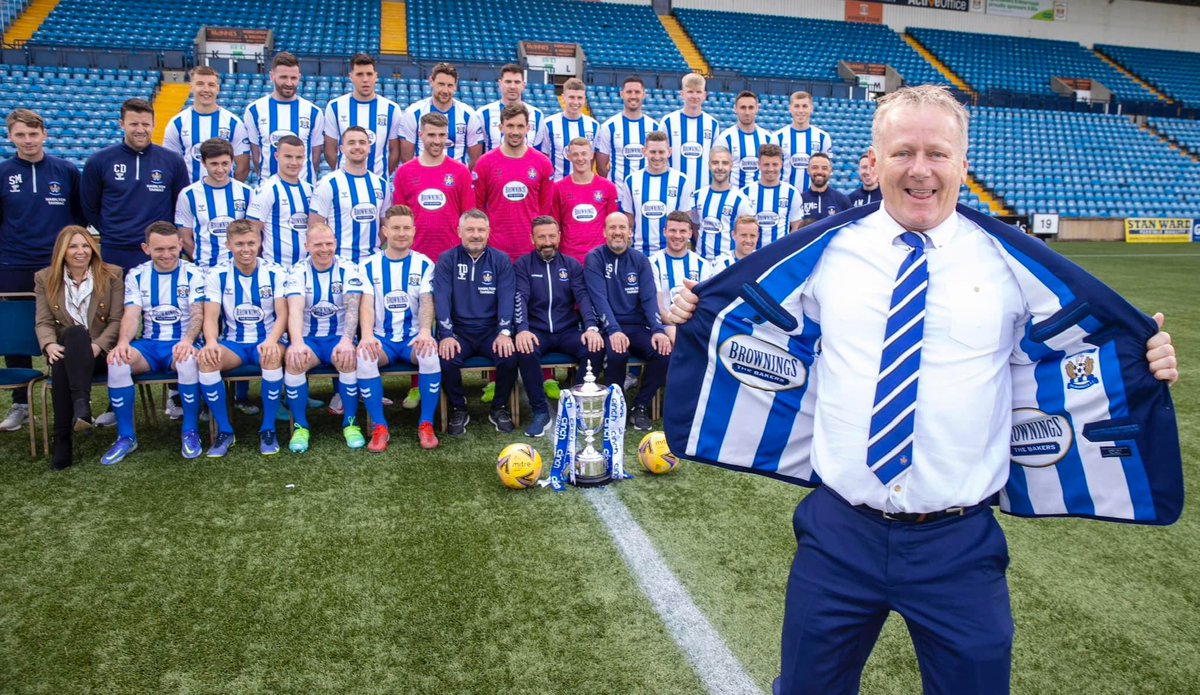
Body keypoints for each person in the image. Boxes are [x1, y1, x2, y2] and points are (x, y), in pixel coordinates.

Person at [664, 85, 1180, 695]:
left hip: (958, 546)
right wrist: (691, 308)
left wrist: (1145, 357)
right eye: (903, 151)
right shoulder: (826, 251)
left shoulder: (1012, 264)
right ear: (877, 160)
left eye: (938, 154)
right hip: (838, 535)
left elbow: (1076, 350)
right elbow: (750, 316)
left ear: (963, 163)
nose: (920, 170)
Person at [0, 108, 85, 431]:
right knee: (17, 332)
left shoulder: (64, 171)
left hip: (56, 263)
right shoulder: (4, 172)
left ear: (44, 135)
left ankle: (73, 397)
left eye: (33, 134)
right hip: (13, 263)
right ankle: (21, 403)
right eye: (21, 135)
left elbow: (79, 216)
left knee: (67, 326)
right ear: (10, 137)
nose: (28, 140)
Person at [99, 222, 206, 465]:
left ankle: (190, 431)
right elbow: (131, 314)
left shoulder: (194, 273)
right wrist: (123, 342)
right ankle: (126, 436)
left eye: (171, 248)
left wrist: (188, 340)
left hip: (181, 341)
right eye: (159, 249)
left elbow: (197, 313)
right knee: (117, 361)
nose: (166, 254)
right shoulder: (137, 275)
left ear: (180, 245)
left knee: (187, 360)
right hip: (149, 344)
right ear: (146, 248)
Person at [194, 220, 288, 456]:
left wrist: (271, 341)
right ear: (228, 245)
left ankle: (268, 429)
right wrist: (212, 342)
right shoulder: (217, 274)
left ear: (259, 243)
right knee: (207, 359)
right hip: (233, 343)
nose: (246, 249)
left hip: (267, 339)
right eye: (239, 244)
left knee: (272, 355)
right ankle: (225, 431)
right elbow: (210, 315)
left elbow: (283, 314)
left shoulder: (275, 272)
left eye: (251, 243)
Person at [34, 227, 123, 469]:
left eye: (85, 246)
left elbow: (116, 320)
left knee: (74, 340)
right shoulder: (45, 278)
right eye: (73, 246)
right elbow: (43, 321)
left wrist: (98, 346)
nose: (80, 251)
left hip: (102, 354)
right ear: (62, 251)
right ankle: (81, 407)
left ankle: (62, 440)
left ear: (93, 248)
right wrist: (49, 344)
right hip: (67, 351)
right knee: (71, 339)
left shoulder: (112, 274)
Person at [356, 205, 441, 451]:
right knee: (364, 356)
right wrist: (368, 335)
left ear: (414, 231)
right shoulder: (368, 266)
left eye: (406, 228)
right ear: (385, 231)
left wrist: (425, 332)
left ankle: (426, 423)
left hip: (412, 339)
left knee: (430, 354)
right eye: (395, 228)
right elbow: (367, 304)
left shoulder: (424, 264)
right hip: (383, 339)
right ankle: (379, 427)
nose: (401, 233)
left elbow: (427, 300)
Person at [513, 216, 604, 438]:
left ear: (559, 237)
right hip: (537, 331)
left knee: (595, 348)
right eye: (541, 236)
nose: (547, 241)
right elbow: (520, 298)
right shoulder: (523, 265)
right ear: (532, 239)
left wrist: (591, 327)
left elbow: (582, 297)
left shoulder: (571, 265)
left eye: (552, 236)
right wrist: (523, 328)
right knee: (525, 350)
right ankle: (540, 412)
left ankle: (577, 408)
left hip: (567, 331)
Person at [282, 223, 369, 453]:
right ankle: (301, 427)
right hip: (309, 339)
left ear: (336, 244)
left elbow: (352, 309)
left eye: (329, 243)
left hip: (337, 338)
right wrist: (297, 343)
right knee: (294, 361)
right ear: (307, 246)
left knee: (347, 358)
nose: (324, 249)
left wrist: (347, 341)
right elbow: (295, 310)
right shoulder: (297, 271)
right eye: (318, 244)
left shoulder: (348, 269)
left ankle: (350, 423)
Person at [433, 210, 517, 436]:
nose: (476, 235)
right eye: (470, 229)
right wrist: (447, 334)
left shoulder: (500, 260)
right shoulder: (447, 259)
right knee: (447, 358)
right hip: (460, 332)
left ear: (489, 232)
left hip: (491, 331)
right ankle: (459, 408)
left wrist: (504, 332)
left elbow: (507, 297)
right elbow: (441, 298)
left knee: (509, 356)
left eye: (481, 230)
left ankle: (498, 407)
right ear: (459, 231)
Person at [584, 212, 670, 432]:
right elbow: (599, 299)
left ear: (630, 232)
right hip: (609, 326)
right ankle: (615, 406)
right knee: (617, 353)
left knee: (663, 351)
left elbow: (649, 298)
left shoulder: (640, 260)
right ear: (604, 232)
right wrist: (613, 330)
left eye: (622, 227)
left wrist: (658, 330)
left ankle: (639, 406)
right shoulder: (595, 258)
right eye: (612, 227)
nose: (618, 232)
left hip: (637, 326)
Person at [81, 98, 189, 271]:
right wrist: (112, 230)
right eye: (134, 124)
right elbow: (89, 206)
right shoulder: (99, 161)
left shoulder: (172, 161)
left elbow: (181, 206)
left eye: (146, 124)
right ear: (122, 124)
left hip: (158, 251)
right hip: (115, 250)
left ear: (153, 124)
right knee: (115, 298)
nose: (140, 130)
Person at [472, 104, 554, 263]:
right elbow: (478, 208)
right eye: (510, 126)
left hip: (531, 250)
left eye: (520, 126)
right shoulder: (485, 163)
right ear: (500, 127)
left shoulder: (542, 163)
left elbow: (545, 209)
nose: (515, 132)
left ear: (528, 128)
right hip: (495, 250)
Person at [391, 112, 476, 262]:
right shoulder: (404, 172)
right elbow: (399, 218)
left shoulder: (460, 171)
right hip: (414, 257)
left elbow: (468, 217)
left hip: (452, 256)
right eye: (431, 135)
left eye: (442, 135)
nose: (437, 141)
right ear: (421, 134)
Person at [244, 51, 324, 185]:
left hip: (304, 191)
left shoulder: (313, 112)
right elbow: (256, 154)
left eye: (293, 78)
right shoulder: (254, 110)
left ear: (299, 77)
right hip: (267, 190)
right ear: (272, 76)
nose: (289, 83)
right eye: (283, 77)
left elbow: (315, 156)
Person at [309, 126, 386, 265]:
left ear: (369, 147)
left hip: (372, 263)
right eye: (351, 143)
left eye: (362, 142)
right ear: (342, 149)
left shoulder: (381, 184)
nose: (357, 147)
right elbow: (315, 226)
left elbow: (385, 226)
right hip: (338, 263)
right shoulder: (328, 183)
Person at [162, 66, 251, 184]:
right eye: (200, 84)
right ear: (191, 87)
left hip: (222, 198)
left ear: (218, 89)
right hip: (189, 197)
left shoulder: (233, 123)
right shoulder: (177, 123)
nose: (206, 89)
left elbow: (243, 167)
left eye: (211, 85)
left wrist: (229, 190)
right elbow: (169, 164)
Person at [175, 138, 254, 268]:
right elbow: (185, 237)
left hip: (239, 269)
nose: (220, 169)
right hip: (204, 270)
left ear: (232, 161)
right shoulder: (188, 195)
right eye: (214, 164)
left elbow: (254, 233)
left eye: (225, 163)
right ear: (203, 163)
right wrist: (199, 262)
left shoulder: (246, 192)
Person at [323, 53, 401, 178]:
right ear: (351, 77)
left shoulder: (391, 109)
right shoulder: (335, 106)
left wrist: (378, 178)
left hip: (378, 185)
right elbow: (329, 151)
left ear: (376, 76)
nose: (365, 79)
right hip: (344, 184)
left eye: (369, 74)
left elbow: (395, 152)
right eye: (359, 74)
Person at [616, 131, 693, 257]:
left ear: (669, 152)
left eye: (661, 152)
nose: (657, 156)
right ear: (644, 151)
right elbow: (629, 220)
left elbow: (685, 219)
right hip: (640, 253)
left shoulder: (681, 180)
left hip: (671, 253)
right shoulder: (631, 180)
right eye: (653, 152)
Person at [247, 135, 313, 268]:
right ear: (277, 156)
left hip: (306, 269)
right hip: (276, 267)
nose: (294, 162)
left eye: (299, 157)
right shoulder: (267, 190)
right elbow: (252, 231)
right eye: (288, 156)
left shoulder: (310, 190)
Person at [551, 136, 619, 265]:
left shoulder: (608, 187)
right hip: (569, 258)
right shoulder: (558, 188)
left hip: (599, 258)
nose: (580, 158)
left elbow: (612, 224)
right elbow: (555, 226)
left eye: (584, 154)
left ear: (592, 155)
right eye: (575, 154)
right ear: (569, 157)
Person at [648, 211, 710, 343]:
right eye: (672, 230)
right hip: (665, 326)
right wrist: (676, 327)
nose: (677, 236)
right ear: (664, 232)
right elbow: (657, 306)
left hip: (694, 327)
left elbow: (704, 305)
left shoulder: (703, 265)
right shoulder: (653, 263)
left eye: (682, 231)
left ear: (690, 233)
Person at [398, 62, 476, 166]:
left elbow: (475, 159)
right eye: (441, 84)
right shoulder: (413, 113)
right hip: (423, 179)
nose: (445, 90)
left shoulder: (468, 115)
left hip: (456, 180)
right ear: (431, 81)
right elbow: (406, 158)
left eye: (450, 85)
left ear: (455, 86)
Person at [467, 63, 544, 164]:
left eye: (517, 82)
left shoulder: (537, 115)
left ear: (523, 85)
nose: (512, 86)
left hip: (526, 176)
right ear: (500, 83)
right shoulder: (482, 114)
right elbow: (477, 156)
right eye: (508, 82)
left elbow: (538, 152)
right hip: (494, 175)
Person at [594, 76, 660, 185]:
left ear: (644, 95)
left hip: (646, 195)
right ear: (622, 94)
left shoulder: (654, 127)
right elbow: (600, 166)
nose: (633, 96)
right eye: (629, 92)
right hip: (618, 196)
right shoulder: (609, 127)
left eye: (637, 92)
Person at [661, 72, 720, 191]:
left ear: (704, 95)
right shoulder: (668, 121)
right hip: (673, 189)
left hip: (703, 191)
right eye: (690, 91)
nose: (695, 96)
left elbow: (715, 158)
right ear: (682, 94)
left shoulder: (713, 124)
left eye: (698, 92)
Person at [690, 145, 750, 262]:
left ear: (731, 166)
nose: (720, 167)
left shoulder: (741, 199)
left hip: (729, 265)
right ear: (709, 165)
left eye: (725, 163)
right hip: (703, 263)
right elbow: (695, 226)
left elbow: (746, 233)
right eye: (715, 163)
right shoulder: (698, 196)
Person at [535, 77, 598, 182]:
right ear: (563, 97)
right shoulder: (548, 124)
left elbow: (591, 159)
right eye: (571, 97)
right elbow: (544, 158)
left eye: (579, 98)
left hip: (583, 188)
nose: (575, 102)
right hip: (556, 188)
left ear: (584, 99)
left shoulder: (594, 125)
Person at [740, 142, 802, 247]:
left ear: (781, 165)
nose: (770, 169)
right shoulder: (745, 193)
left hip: (779, 255)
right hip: (751, 256)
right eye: (766, 164)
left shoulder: (792, 193)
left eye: (775, 164)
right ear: (758, 165)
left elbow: (796, 227)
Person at [775, 91, 832, 193]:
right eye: (796, 106)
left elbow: (826, 169)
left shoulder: (823, 137)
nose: (801, 110)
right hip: (785, 195)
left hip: (813, 196)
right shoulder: (778, 137)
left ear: (811, 108)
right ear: (790, 108)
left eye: (805, 106)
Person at [716, 91, 775, 190]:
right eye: (743, 107)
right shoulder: (725, 138)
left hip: (760, 197)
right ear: (735, 109)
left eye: (751, 107)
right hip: (734, 197)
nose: (747, 112)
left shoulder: (768, 138)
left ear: (757, 108)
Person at [798, 152, 852, 225]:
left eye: (824, 168)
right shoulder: (799, 200)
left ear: (830, 171)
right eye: (815, 167)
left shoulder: (842, 200)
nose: (819, 172)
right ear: (808, 170)